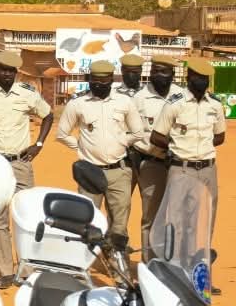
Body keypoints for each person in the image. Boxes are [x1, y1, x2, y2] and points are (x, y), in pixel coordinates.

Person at [0, 50, 54, 287]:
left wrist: (39, 144)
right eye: (4, 70)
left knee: (26, 216)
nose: (8, 74)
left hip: (21, 163)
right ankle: (6, 271)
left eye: (12, 71)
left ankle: (26, 270)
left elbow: (48, 115)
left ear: (16, 73)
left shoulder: (27, 93)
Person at [150, 57, 226, 292]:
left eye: (204, 78)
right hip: (180, 168)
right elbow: (156, 135)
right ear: (189, 77)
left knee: (204, 224)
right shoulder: (175, 103)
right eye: (197, 77)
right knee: (177, 223)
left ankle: (200, 277)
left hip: (207, 170)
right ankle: (176, 275)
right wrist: (176, 146)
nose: (201, 81)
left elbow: (220, 136)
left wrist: (201, 146)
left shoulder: (215, 105)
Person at [56, 60, 145, 250]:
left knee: (119, 227)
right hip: (90, 172)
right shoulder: (77, 103)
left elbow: (138, 133)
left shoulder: (124, 102)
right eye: (95, 81)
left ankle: (118, 264)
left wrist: (122, 142)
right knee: (88, 222)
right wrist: (80, 146)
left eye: (104, 81)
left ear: (111, 80)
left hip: (119, 172)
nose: (99, 85)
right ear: (89, 80)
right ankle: (87, 261)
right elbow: (62, 134)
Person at [129, 55, 185, 259]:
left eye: (163, 71)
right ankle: (150, 263)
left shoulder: (182, 96)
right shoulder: (139, 98)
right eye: (154, 71)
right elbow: (131, 131)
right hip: (152, 164)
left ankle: (176, 262)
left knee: (180, 217)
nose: (157, 75)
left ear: (172, 74)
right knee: (151, 217)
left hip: (180, 164)